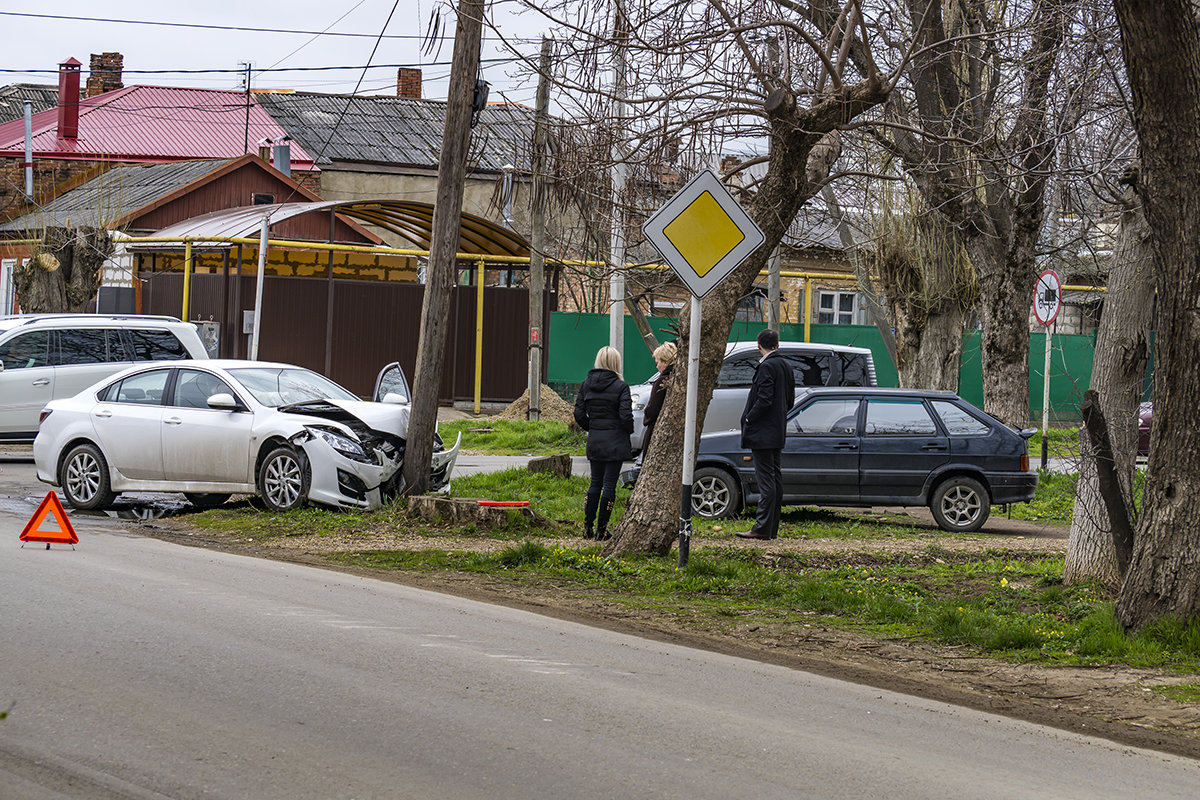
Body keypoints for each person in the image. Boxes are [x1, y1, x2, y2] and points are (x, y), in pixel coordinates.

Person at [736, 328, 795, 541]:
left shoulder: (766, 366)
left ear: (758, 345)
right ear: (777, 345)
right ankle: (771, 528)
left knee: (766, 481)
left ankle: (761, 527)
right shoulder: (786, 366)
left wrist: (750, 418)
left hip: (762, 432)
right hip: (777, 430)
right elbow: (789, 401)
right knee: (775, 478)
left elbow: (764, 398)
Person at [573, 345, 634, 540]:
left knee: (595, 483)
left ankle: (587, 527)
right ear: (616, 363)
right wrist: (627, 430)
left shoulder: (585, 384)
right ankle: (602, 530)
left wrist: (592, 427)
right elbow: (626, 416)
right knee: (609, 485)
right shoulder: (621, 387)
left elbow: (578, 414)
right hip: (615, 441)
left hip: (596, 440)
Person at [638, 341, 677, 464]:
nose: (657, 366)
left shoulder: (661, 381)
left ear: (665, 361)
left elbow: (652, 409)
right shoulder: (678, 377)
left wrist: (647, 416)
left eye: (658, 362)